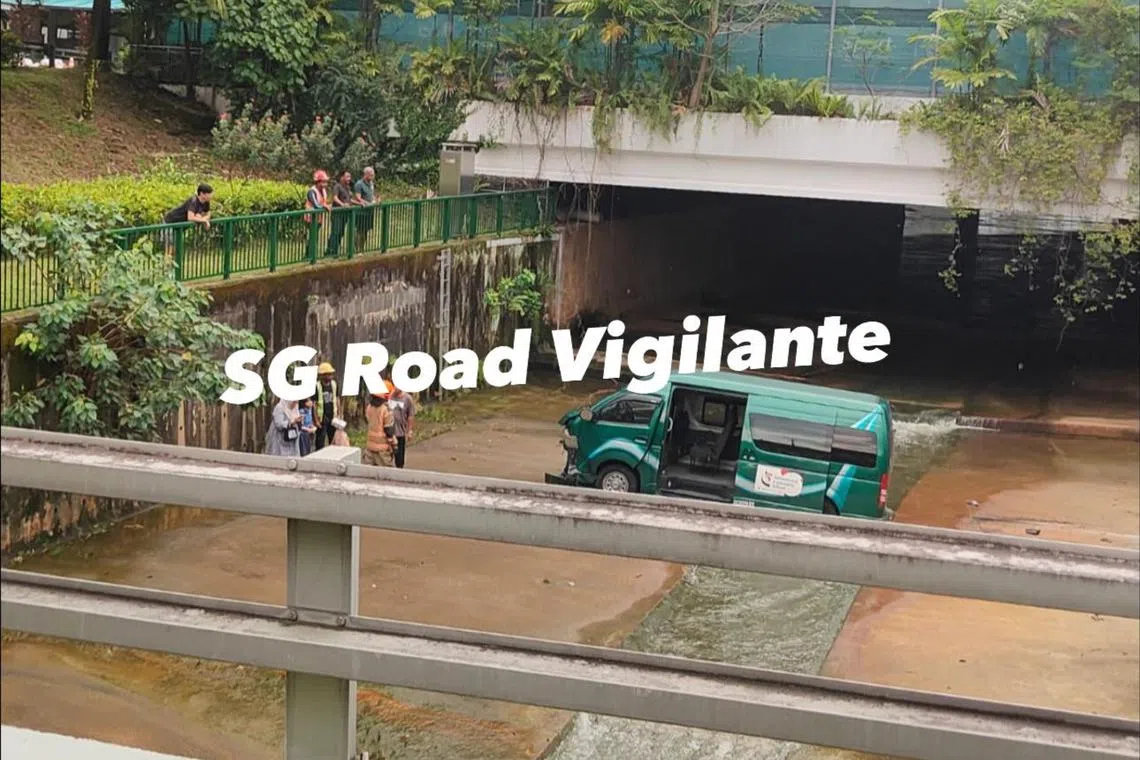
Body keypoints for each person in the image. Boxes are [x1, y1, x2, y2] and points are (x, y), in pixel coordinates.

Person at [161, 183, 212, 254]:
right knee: (170, 245)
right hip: (170, 222)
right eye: (209, 193)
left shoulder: (206, 202)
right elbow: (190, 217)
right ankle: (167, 259)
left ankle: (173, 260)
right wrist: (203, 220)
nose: (211, 195)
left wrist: (204, 219)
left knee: (176, 247)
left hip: (180, 225)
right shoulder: (193, 201)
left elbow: (208, 213)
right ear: (202, 194)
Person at [363, 391, 397, 467]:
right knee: (386, 472)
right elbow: (389, 430)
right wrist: (394, 445)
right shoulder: (385, 409)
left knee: (369, 472)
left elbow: (368, 420)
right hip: (382, 450)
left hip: (370, 448)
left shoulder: (369, 407)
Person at [326, 169, 355, 258]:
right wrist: (343, 205)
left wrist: (360, 203)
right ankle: (331, 251)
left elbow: (349, 200)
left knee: (341, 232)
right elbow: (335, 198)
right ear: (342, 177)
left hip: (345, 214)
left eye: (349, 177)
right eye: (347, 176)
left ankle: (334, 250)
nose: (349, 179)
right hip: (337, 214)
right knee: (336, 232)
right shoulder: (337, 186)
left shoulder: (348, 187)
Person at [387, 382, 416, 469]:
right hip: (389, 432)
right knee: (387, 457)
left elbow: (410, 416)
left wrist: (409, 431)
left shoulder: (407, 398)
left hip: (400, 433)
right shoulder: (389, 396)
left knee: (399, 459)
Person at [313, 362, 339, 451]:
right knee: (320, 441)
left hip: (332, 416)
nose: (330, 376)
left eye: (331, 374)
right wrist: (316, 420)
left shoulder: (334, 384)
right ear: (322, 375)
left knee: (333, 439)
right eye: (328, 374)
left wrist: (339, 414)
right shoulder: (317, 386)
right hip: (322, 418)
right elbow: (314, 404)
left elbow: (337, 399)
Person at [353, 166, 378, 249]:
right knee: (359, 230)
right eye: (371, 175)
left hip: (369, 211)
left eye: (373, 175)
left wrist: (375, 200)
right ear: (366, 174)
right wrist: (367, 203)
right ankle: (357, 248)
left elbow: (372, 194)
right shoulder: (359, 184)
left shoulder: (371, 184)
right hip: (361, 212)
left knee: (365, 230)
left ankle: (362, 248)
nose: (373, 176)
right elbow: (358, 197)